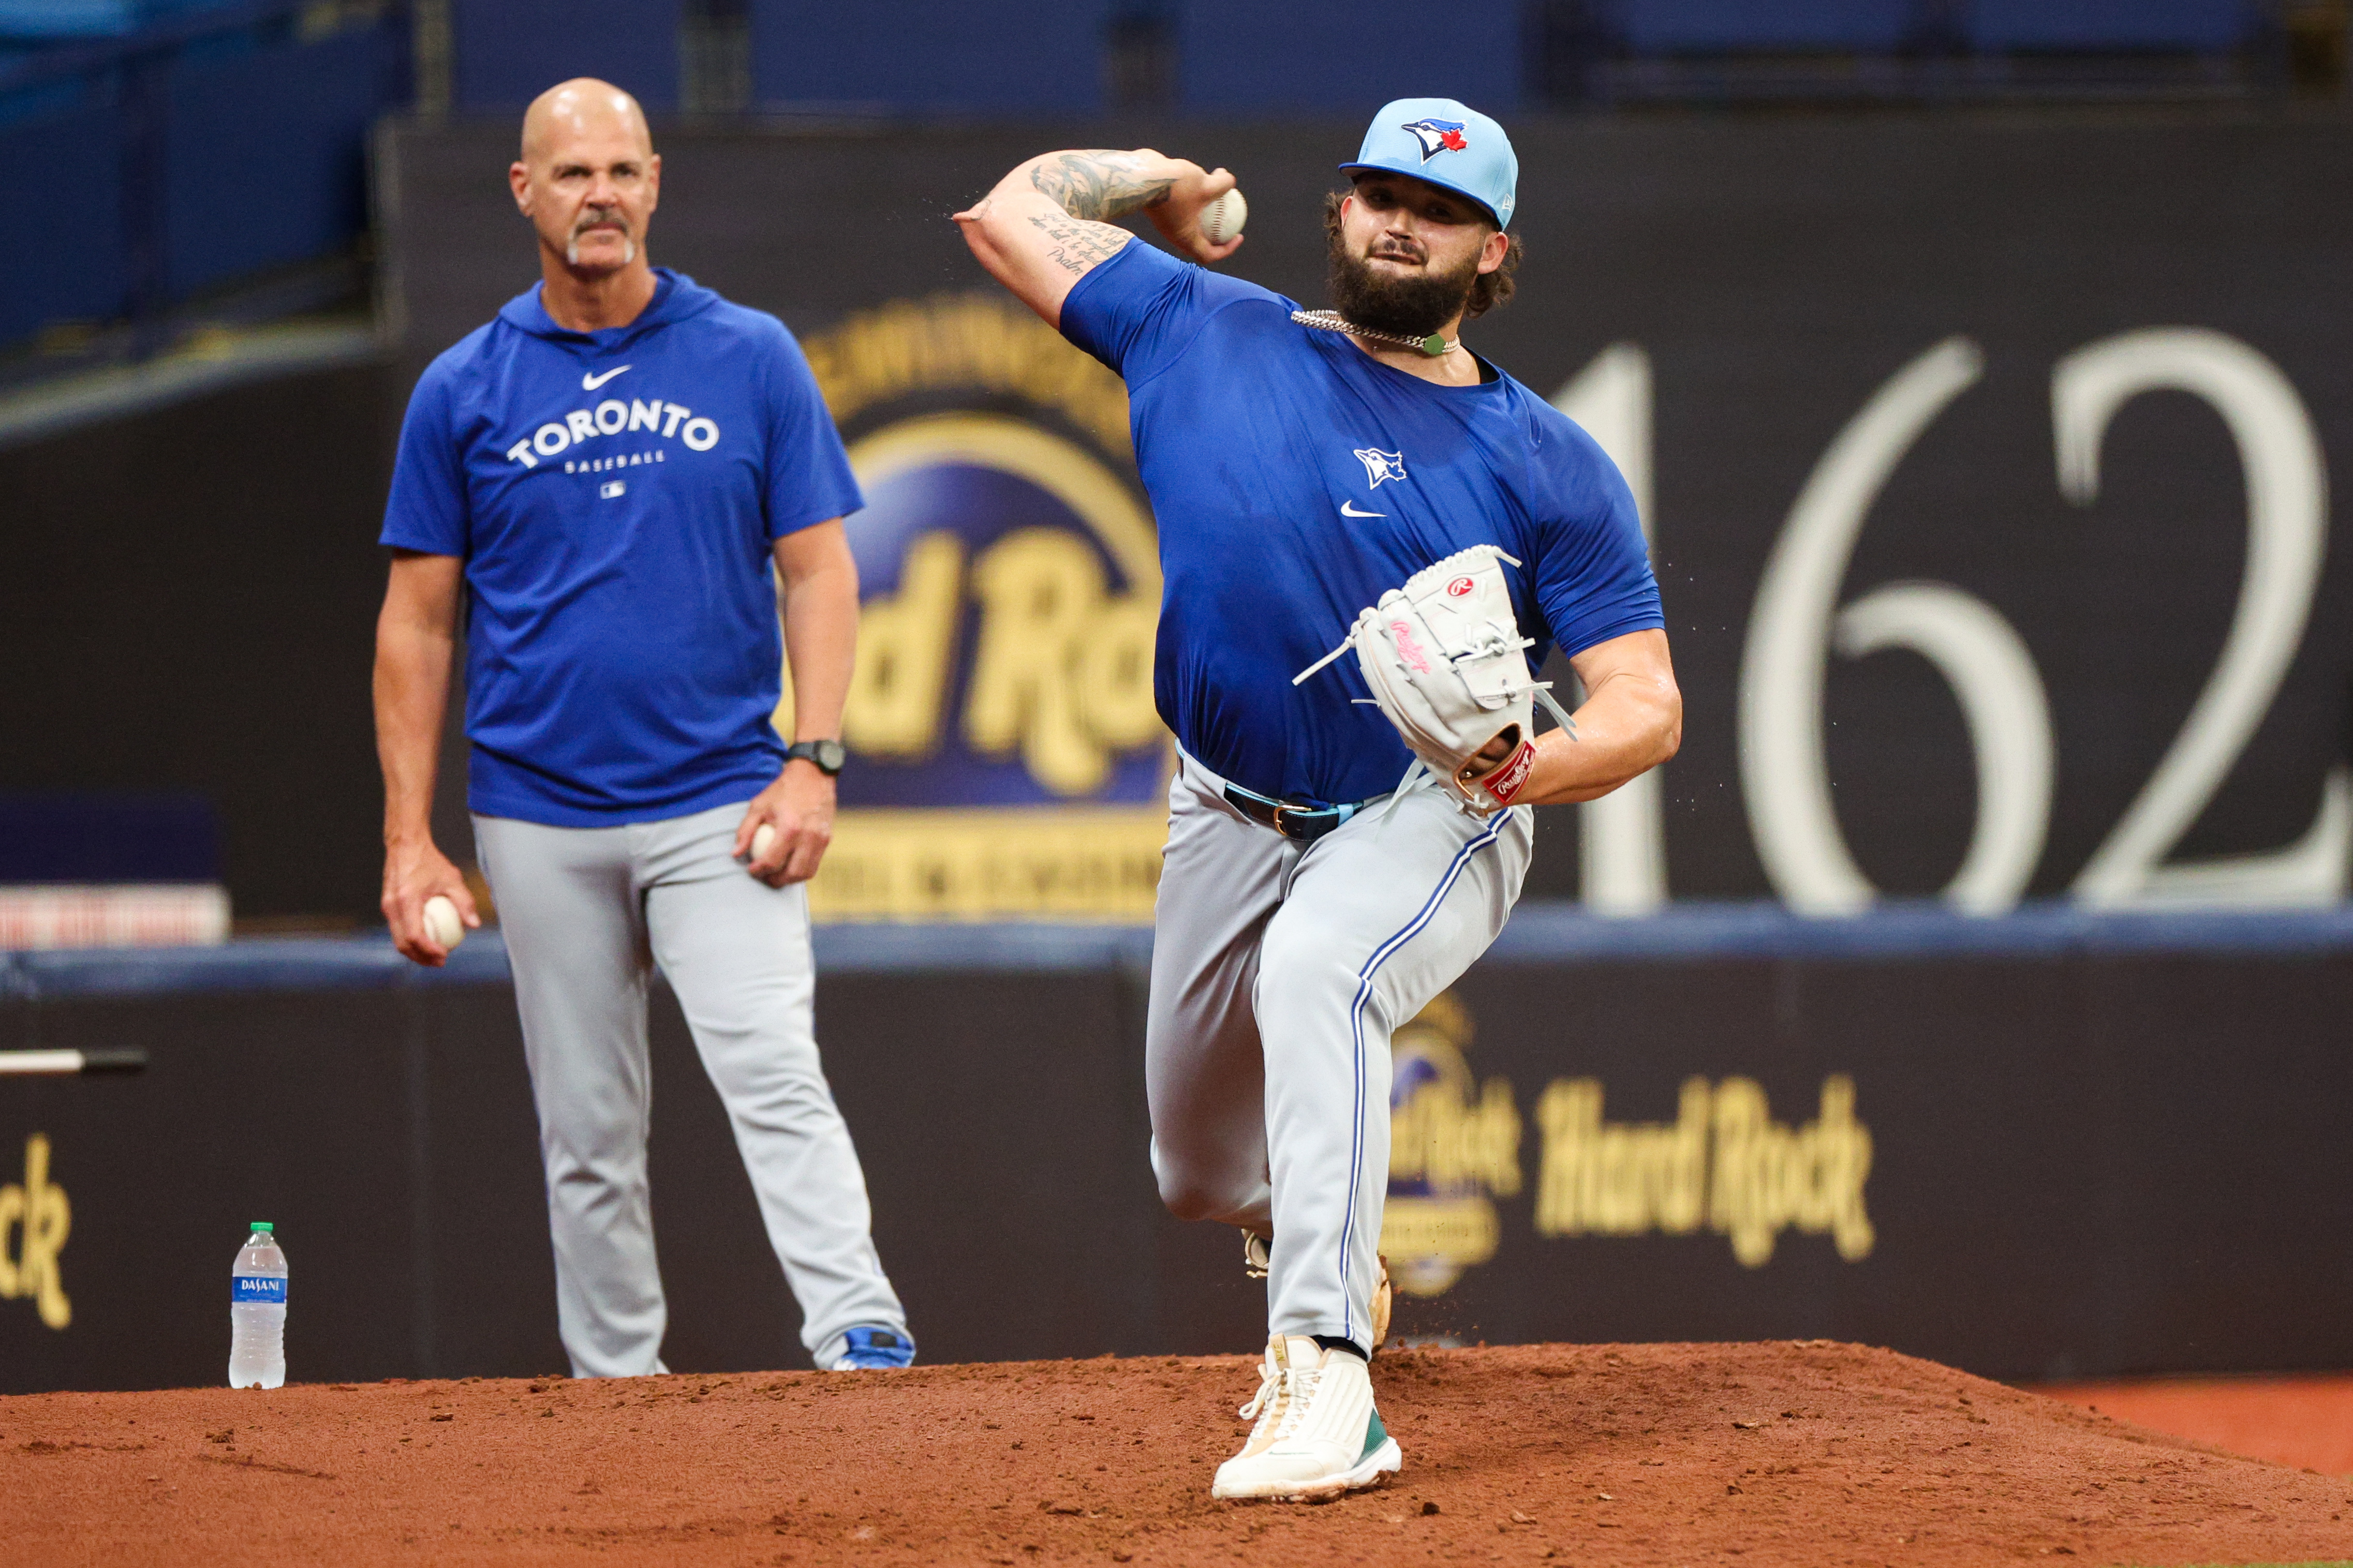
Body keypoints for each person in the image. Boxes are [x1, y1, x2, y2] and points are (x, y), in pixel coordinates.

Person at [955, 99, 1681, 1499]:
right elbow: (1008, 212)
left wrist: (1527, 767)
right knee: (1188, 1168)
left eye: (1443, 209)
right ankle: (1314, 1224)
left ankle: (1325, 1376)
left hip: (1432, 807)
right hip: (1224, 805)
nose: (1403, 221)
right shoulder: (1198, 325)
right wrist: (1159, 179)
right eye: (1379, 192)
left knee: (1320, 971)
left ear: (1491, 251)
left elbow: (1644, 706)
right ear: (1340, 210)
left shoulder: (1544, 460)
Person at [372, 79, 914, 1378]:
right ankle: (617, 1392)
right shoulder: (463, 388)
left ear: (655, 184)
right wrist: (409, 839)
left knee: (774, 1067)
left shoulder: (750, 354)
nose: (599, 194)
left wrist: (815, 757)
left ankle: (859, 1331)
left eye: (621, 170)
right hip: (537, 812)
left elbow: (822, 571)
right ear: (525, 192)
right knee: (588, 1129)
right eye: (571, 174)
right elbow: (416, 624)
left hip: (720, 800)